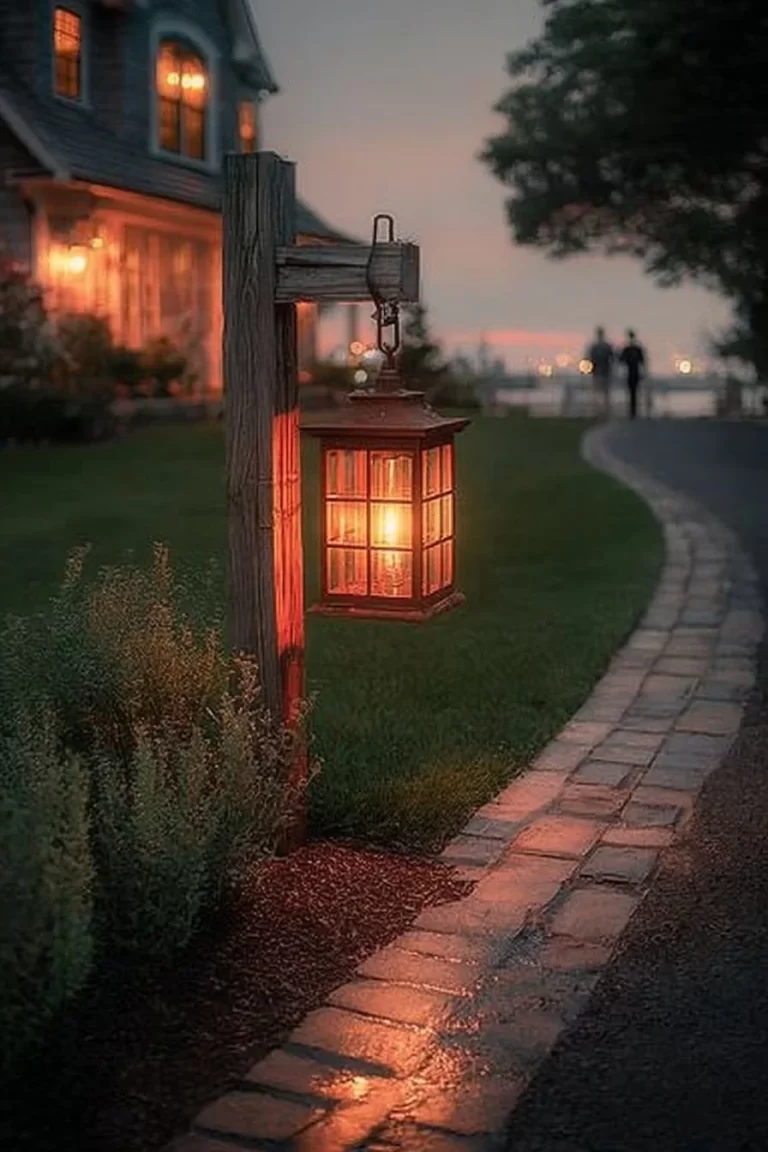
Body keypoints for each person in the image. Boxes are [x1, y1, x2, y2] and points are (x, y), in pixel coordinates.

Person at [619, 329, 647, 419]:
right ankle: (633, 410)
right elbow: (642, 361)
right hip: (633, 372)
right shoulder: (636, 349)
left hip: (631, 373)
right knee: (634, 392)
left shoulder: (628, 349)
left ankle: (633, 410)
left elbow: (621, 360)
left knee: (632, 392)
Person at [588, 327, 614, 417]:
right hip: (602, 372)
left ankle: (601, 410)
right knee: (602, 393)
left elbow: (590, 359)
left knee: (602, 393)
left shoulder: (596, 347)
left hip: (602, 372)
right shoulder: (605, 346)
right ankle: (601, 410)